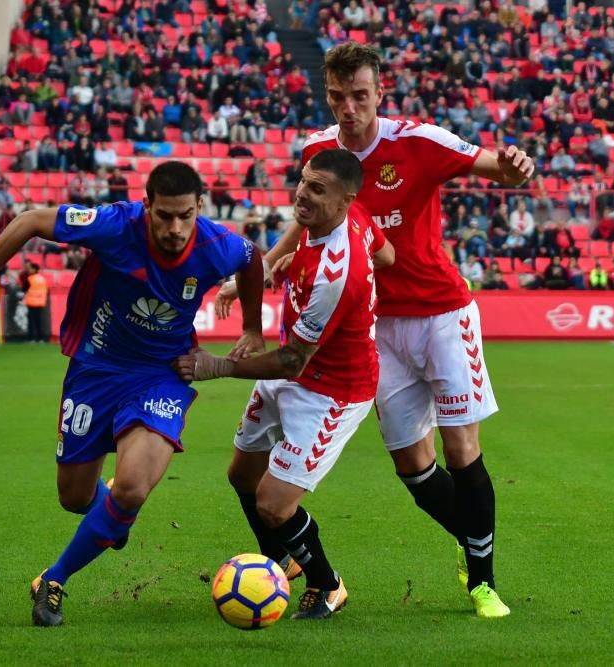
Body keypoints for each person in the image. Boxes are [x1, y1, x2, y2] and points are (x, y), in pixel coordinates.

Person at [217, 42, 534, 618]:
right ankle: (471, 538)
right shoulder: (319, 150)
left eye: (359, 95)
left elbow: (492, 164)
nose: (348, 108)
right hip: (376, 328)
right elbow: (307, 217)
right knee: (412, 466)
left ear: (379, 92)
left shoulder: (417, 140)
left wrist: (512, 169)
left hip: (442, 314)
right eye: (337, 96)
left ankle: (482, 580)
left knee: (462, 448)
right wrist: (267, 265)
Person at [0, 161, 266, 627]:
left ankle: (53, 580)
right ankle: (108, 513)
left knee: (133, 486)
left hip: (163, 374)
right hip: (96, 368)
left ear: (200, 207)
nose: (175, 229)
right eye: (164, 216)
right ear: (146, 205)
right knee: (75, 498)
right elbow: (31, 220)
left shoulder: (218, 245)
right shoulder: (115, 225)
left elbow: (253, 258)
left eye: (185, 216)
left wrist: (253, 328)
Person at [176, 149, 395, 620]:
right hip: (294, 371)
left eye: (317, 190)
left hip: (333, 390)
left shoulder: (336, 276)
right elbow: (387, 253)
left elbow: (293, 361)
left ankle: (327, 584)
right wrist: (295, 256)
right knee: (242, 476)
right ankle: (282, 560)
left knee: (273, 504)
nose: (302, 193)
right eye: (303, 181)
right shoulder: (352, 216)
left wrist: (217, 367)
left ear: (344, 200)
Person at [23, 261, 48, 343]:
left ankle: (32, 338)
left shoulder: (30, 279)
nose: (29, 270)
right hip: (40, 302)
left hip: (31, 302)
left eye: (30, 268)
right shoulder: (42, 279)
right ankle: (41, 338)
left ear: (34, 269)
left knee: (31, 321)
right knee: (39, 321)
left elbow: (24, 289)